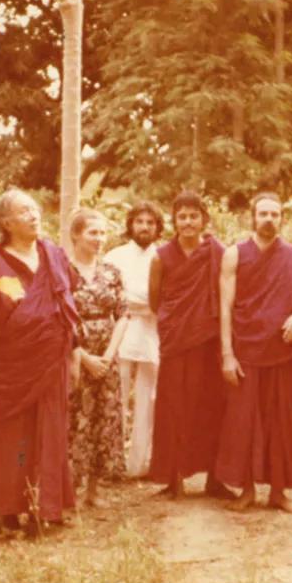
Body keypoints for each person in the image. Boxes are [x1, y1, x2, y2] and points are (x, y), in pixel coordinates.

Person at [0, 189, 79, 534]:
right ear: (6, 223)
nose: (34, 215)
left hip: (52, 362)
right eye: (24, 211)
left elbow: (68, 309)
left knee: (51, 432)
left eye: (34, 209)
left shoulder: (54, 256)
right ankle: (9, 509)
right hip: (9, 365)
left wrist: (74, 357)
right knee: (12, 438)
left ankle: (48, 507)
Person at [215, 193, 292, 513]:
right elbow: (224, 307)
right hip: (246, 351)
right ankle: (246, 490)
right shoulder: (234, 254)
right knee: (243, 421)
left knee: (283, 423)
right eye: (263, 214)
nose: (269, 219)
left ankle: (279, 492)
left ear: (282, 219)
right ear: (253, 217)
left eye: (275, 214)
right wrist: (227, 354)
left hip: (282, 353)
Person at [148, 191, 232, 499]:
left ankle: (215, 479)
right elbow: (156, 300)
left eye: (193, 216)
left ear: (204, 219)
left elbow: (228, 292)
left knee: (212, 406)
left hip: (209, 341)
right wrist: (178, 322)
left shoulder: (217, 252)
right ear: (174, 221)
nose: (188, 222)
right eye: (181, 217)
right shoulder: (161, 256)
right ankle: (174, 478)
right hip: (177, 342)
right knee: (173, 407)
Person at [67, 208, 128, 507]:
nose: (99, 238)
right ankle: (69, 491)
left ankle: (93, 491)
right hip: (74, 354)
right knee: (75, 418)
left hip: (107, 355)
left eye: (103, 233)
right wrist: (83, 357)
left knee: (104, 419)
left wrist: (107, 355)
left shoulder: (112, 272)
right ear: (76, 235)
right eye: (93, 232)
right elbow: (57, 317)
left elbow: (124, 314)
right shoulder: (63, 272)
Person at [103, 202, 162, 478]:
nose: (145, 227)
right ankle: (114, 462)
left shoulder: (162, 257)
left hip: (152, 330)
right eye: (140, 222)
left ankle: (141, 463)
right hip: (121, 330)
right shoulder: (114, 257)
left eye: (150, 222)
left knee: (148, 399)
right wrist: (141, 301)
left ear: (158, 227)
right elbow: (112, 297)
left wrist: (141, 301)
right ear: (131, 225)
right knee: (117, 396)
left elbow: (160, 300)